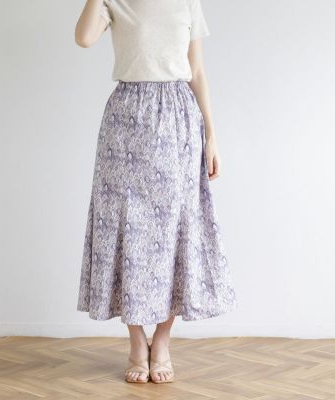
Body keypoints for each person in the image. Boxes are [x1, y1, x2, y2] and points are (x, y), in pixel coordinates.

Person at [74, 0, 237, 384]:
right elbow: (83, 38)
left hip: (179, 120)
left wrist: (212, 135)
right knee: (123, 227)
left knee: (177, 229)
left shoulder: (187, 2)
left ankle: (162, 340)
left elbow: (197, 70)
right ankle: (136, 340)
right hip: (126, 120)